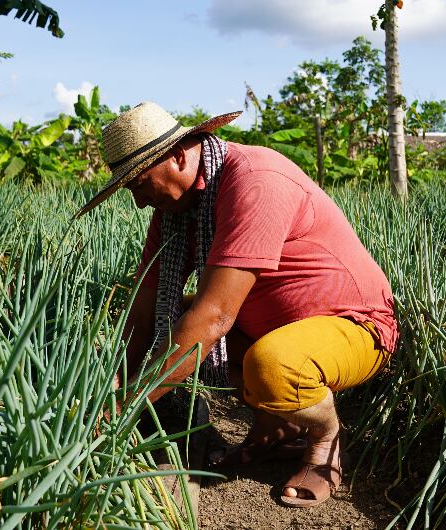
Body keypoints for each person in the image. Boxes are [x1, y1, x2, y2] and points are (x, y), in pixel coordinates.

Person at [75, 101, 398, 507]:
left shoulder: (256, 181)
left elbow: (215, 317)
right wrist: (112, 381)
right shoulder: (178, 209)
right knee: (170, 317)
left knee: (271, 365)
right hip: (274, 324)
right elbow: (147, 302)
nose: (139, 202)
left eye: (140, 183)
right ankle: (277, 427)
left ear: (177, 156)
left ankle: (325, 438)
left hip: (354, 327)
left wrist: (125, 406)